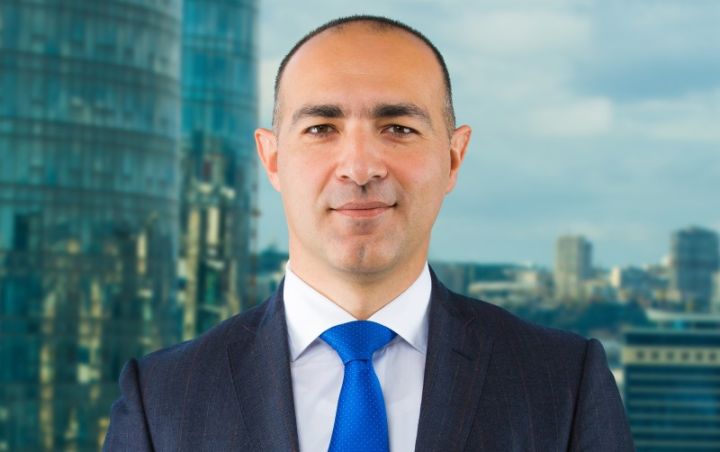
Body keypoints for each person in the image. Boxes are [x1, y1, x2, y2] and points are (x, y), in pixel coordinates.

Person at [103, 15, 634, 451]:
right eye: (321, 129)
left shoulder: (563, 384)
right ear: (272, 158)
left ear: (454, 157)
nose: (359, 167)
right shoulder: (162, 399)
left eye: (398, 128)